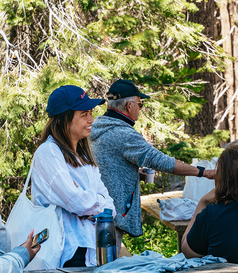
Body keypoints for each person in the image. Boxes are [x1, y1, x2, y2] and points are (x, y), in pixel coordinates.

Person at [91, 79, 215, 249]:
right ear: (129, 106)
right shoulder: (124, 134)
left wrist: (133, 173)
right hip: (111, 215)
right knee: (106, 266)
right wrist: (203, 172)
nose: (140, 109)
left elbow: (107, 164)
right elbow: (162, 162)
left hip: (98, 210)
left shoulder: (99, 128)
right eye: (140, 104)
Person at [31, 85, 116, 269]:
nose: (91, 119)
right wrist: (95, 206)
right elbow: (78, 202)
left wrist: (92, 206)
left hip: (89, 247)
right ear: (64, 119)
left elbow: (110, 207)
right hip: (65, 250)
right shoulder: (48, 152)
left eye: (91, 113)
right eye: (84, 114)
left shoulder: (84, 157)